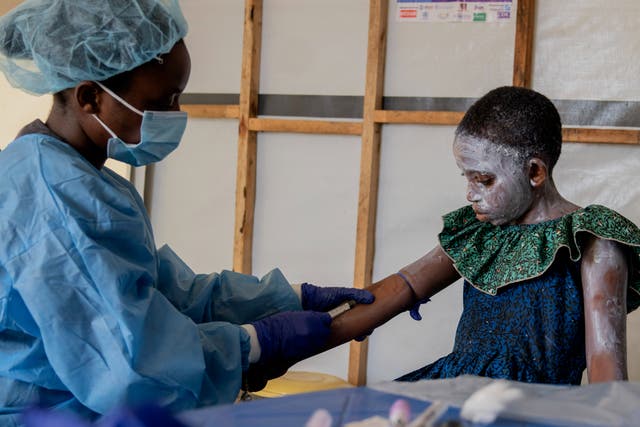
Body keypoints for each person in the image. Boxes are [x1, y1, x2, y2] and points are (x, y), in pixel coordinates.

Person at [0, 0, 373, 424]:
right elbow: (131, 363)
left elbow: (163, 295)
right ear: (90, 97)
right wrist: (254, 342)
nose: (175, 116)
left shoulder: (86, 181)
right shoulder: (53, 197)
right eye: (163, 101)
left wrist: (290, 298)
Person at [327, 86, 640, 385]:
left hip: (528, 407)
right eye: (467, 177)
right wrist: (303, 334)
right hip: (452, 389)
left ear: (535, 172)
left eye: (485, 180)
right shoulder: (480, 233)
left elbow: (605, 363)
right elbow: (402, 287)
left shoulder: (590, 239)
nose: (469, 194)